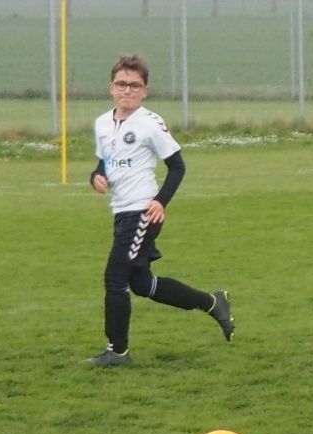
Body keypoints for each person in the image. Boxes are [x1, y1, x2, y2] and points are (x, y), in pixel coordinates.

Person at [84, 54, 233, 366]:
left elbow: (177, 167)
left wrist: (160, 201)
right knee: (141, 284)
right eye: (122, 84)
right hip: (122, 211)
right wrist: (97, 175)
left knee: (115, 277)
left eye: (134, 85)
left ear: (145, 91)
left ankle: (117, 352)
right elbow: (105, 161)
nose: (127, 90)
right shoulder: (102, 123)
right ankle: (212, 302)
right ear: (111, 88)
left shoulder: (150, 124)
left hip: (142, 212)